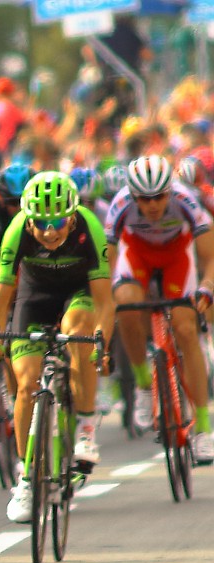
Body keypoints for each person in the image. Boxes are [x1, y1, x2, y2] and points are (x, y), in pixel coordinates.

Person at [0, 172, 114, 523]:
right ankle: (26, 478)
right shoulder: (16, 231)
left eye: (58, 221)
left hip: (78, 295)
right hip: (35, 297)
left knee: (79, 330)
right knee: (26, 385)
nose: (49, 230)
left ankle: (86, 424)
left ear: (72, 215)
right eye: (40, 222)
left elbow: (105, 300)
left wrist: (102, 341)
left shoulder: (89, 228)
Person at [105, 154, 214, 461]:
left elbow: (210, 256)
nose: (152, 205)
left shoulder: (186, 199)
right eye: (144, 198)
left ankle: (204, 429)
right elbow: (109, 259)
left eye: (159, 197)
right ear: (133, 195)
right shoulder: (120, 204)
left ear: (170, 190)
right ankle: (142, 385)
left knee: (185, 328)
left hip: (176, 258)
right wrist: (108, 295)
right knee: (126, 305)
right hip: (137, 256)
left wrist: (207, 288)